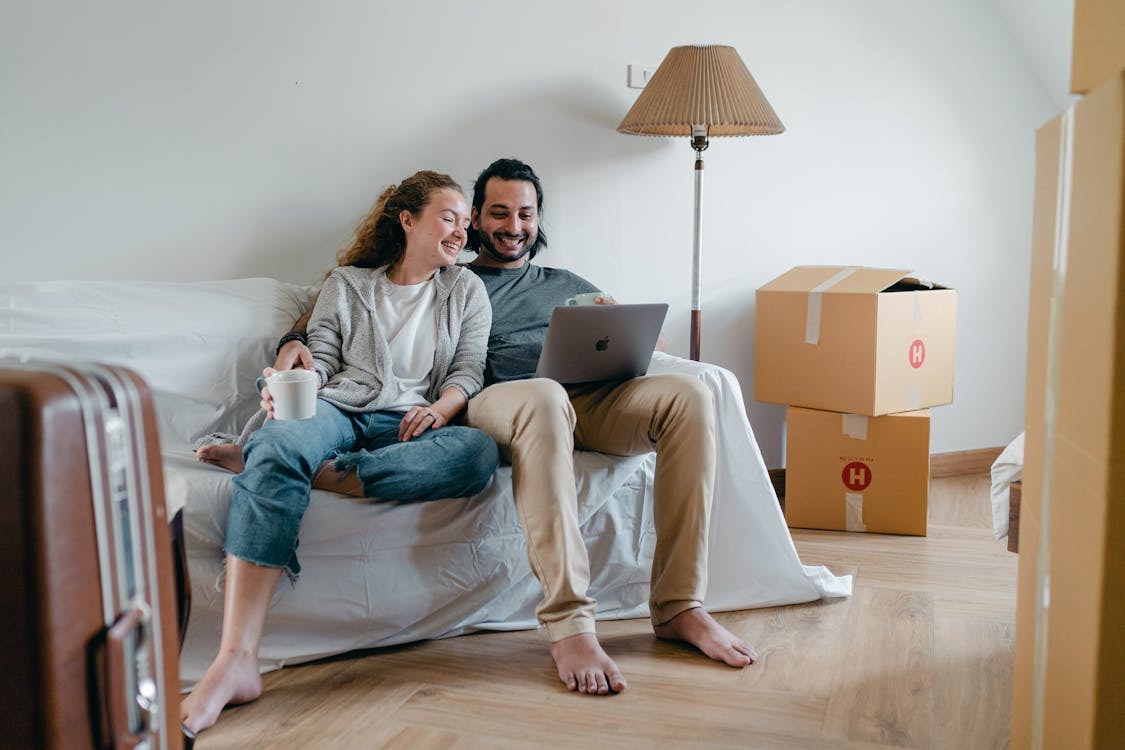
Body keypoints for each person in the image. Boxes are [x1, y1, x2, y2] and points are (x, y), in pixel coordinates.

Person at [268, 158, 755, 696]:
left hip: (589, 396)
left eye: (525, 214)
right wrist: (290, 342)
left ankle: (680, 604)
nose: (513, 225)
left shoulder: (564, 281)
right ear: (473, 218)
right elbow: (341, 308)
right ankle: (570, 622)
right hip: (503, 399)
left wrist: (619, 324)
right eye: (498, 213)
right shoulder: (452, 276)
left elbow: (650, 343)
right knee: (545, 395)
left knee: (690, 394)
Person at [182, 170, 499, 734]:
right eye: (449, 217)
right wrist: (296, 369)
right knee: (283, 437)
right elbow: (322, 356)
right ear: (408, 220)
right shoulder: (349, 284)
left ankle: (305, 470)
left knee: (475, 453)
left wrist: (444, 409)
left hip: (413, 421)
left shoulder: (467, 289)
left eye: (465, 222)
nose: (461, 231)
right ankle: (236, 661)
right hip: (342, 407)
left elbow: (469, 369)